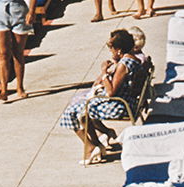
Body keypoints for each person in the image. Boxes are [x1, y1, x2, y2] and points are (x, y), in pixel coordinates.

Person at [56, 29, 149, 158]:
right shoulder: (133, 60)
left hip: (119, 105)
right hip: (128, 101)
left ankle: (92, 146)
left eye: (111, 49)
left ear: (119, 50)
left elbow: (111, 92)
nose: (110, 52)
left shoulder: (123, 65)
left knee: (73, 112)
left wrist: (104, 72)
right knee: (81, 108)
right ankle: (97, 143)